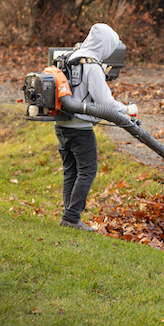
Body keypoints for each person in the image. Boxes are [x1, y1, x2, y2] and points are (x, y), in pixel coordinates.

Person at [55, 23, 137, 231]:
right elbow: (105, 103)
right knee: (87, 171)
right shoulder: (91, 65)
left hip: (62, 124)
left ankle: (68, 215)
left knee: (70, 171)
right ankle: (72, 217)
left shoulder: (70, 57)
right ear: (105, 45)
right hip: (81, 127)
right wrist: (128, 110)